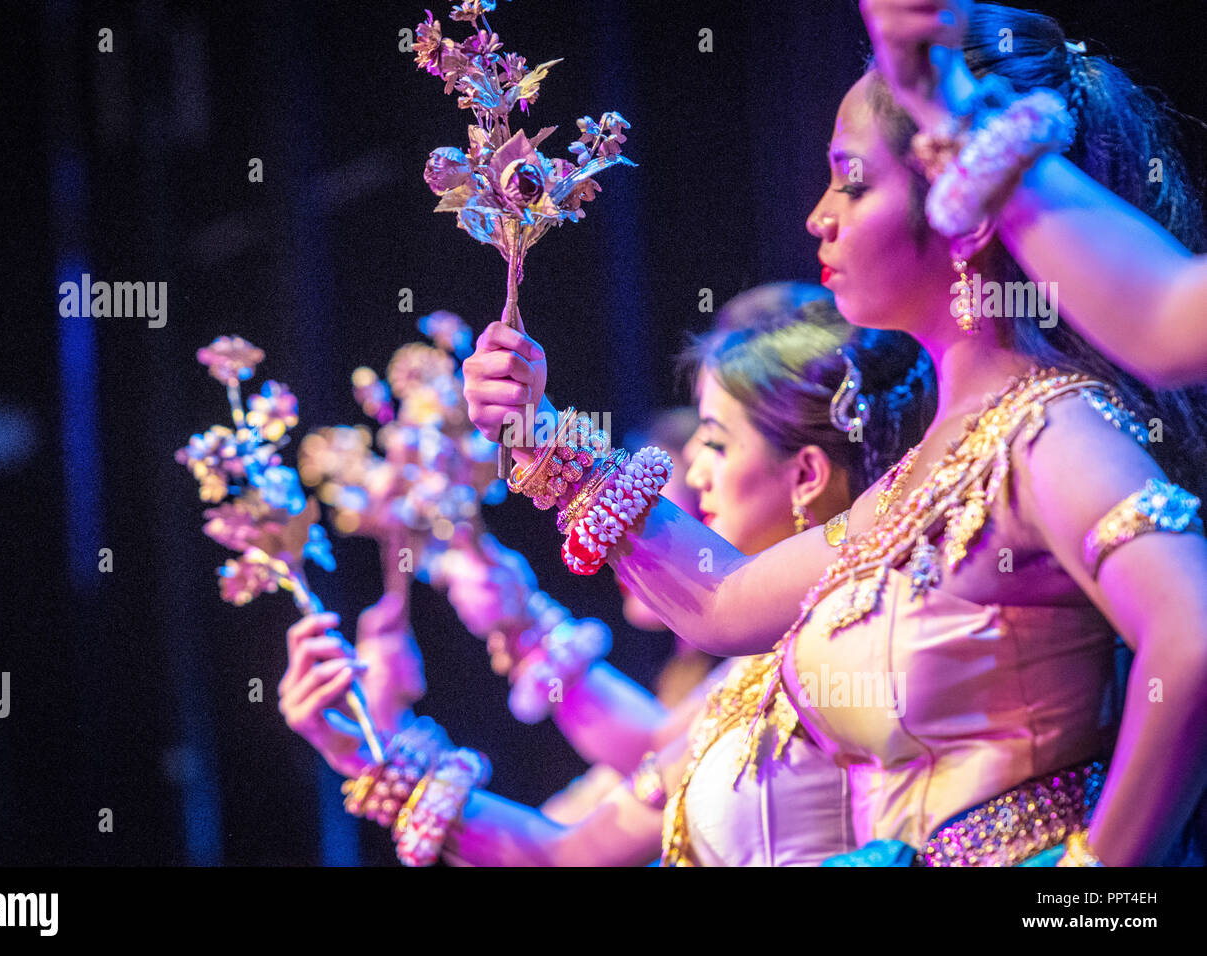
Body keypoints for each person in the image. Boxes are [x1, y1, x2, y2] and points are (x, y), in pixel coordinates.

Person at [462, 4, 1207, 866]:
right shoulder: (923, 475)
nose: (819, 216)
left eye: (853, 181)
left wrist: (1095, 883)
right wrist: (542, 435)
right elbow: (723, 599)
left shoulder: (1047, 430)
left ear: (959, 196)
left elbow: (1190, 632)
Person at [280, 285, 933, 865]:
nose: (694, 471)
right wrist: (368, 748)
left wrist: (541, 436)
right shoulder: (761, 673)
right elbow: (568, 850)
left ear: (807, 474)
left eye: (715, 440)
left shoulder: (865, 636)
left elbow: (718, 604)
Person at [860, 0, 1207, 388]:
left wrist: (956, 111)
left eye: (854, 186)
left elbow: (1160, 322)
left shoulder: (1060, 433)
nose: (817, 221)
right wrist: (943, 99)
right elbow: (1161, 316)